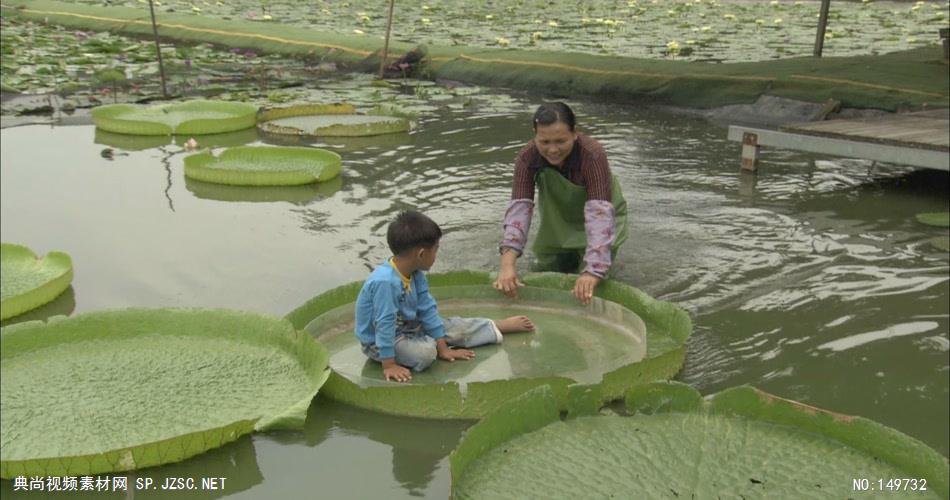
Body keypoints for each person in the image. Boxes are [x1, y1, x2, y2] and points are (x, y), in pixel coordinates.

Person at [356, 210, 534, 383]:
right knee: (425, 354)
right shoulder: (385, 282)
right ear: (421, 254)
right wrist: (389, 365)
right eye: (436, 249)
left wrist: (443, 349)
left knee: (451, 326)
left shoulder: (415, 273)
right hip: (380, 342)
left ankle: (494, 326)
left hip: (412, 327)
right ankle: (427, 343)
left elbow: (427, 310)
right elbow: (384, 325)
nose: (436, 255)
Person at [494, 102, 629, 305]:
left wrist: (593, 272)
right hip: (558, 221)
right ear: (535, 134)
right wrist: (507, 263)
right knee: (545, 272)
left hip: (601, 216)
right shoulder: (527, 158)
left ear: (575, 133)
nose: (553, 150)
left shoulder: (593, 155)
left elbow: (599, 214)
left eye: (560, 141)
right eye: (545, 142)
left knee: (595, 282)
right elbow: (520, 210)